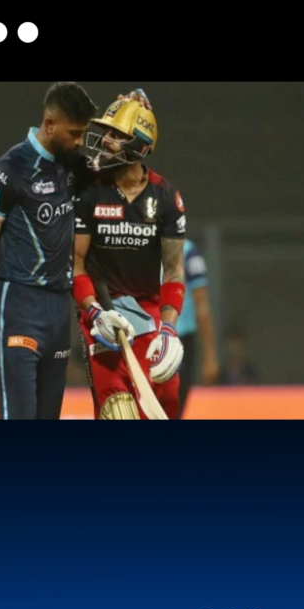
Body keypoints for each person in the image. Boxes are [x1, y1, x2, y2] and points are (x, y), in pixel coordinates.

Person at [0, 81, 98, 419]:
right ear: (50, 124)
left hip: (58, 309)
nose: (80, 141)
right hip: (18, 305)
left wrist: (131, 109)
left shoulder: (73, 166)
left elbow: (119, 166)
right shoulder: (9, 169)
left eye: (84, 133)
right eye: (75, 132)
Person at [73, 97, 187, 420]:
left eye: (116, 134)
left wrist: (169, 329)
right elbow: (76, 264)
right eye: (106, 132)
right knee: (118, 411)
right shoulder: (90, 190)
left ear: (140, 146)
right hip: (103, 316)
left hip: (147, 314)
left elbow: (174, 270)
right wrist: (94, 312)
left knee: (167, 398)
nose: (105, 140)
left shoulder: (166, 197)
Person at [177, 240, 219, 418]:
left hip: (180, 338)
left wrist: (210, 357)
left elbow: (202, 306)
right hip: (152, 338)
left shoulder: (188, 253)